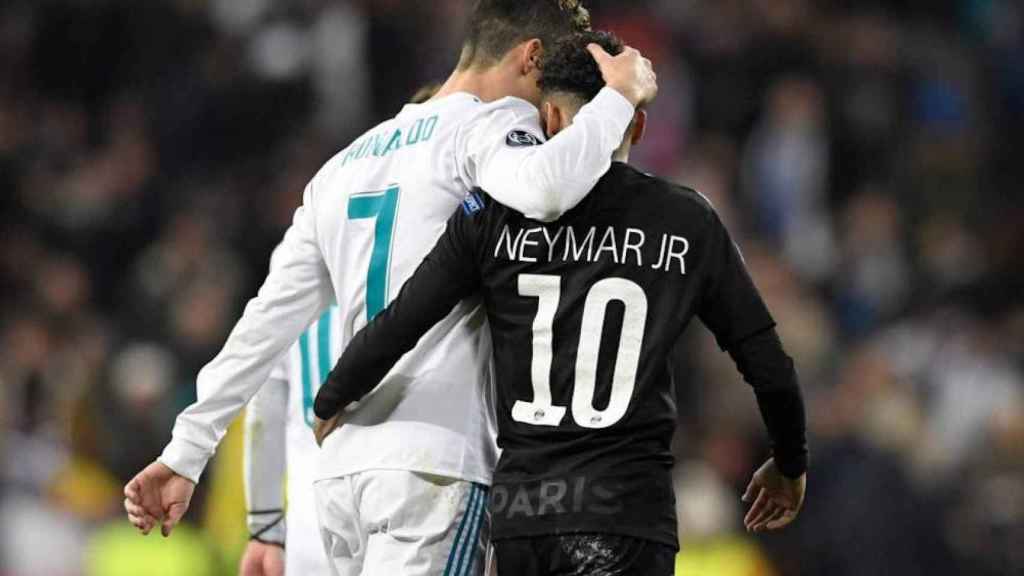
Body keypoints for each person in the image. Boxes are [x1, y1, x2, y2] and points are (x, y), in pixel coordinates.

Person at [124, 1, 659, 574]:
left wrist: (185, 451)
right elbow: (550, 192)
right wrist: (618, 101)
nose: (545, 113)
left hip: (339, 481)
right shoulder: (488, 128)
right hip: (432, 468)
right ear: (530, 57)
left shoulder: (342, 167)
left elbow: (263, 329)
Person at [314, 31, 808, 576]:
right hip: (627, 517)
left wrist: (334, 394)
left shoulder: (492, 213)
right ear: (637, 125)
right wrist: (789, 462)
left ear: (548, 118)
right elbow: (766, 362)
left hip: (523, 518)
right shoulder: (687, 220)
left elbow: (404, 319)